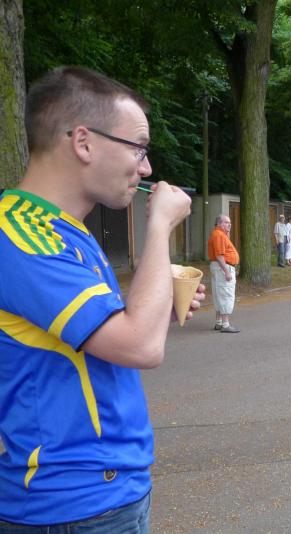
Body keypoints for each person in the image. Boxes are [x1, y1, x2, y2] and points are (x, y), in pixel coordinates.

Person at [0, 66, 204, 530]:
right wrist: (159, 226)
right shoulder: (21, 238)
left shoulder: (66, 233)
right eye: (138, 148)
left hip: (107, 492)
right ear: (84, 142)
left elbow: (109, 334)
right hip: (72, 503)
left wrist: (158, 309)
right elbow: (140, 347)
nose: (146, 168)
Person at [208, 214, 240, 333]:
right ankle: (225, 324)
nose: (229, 224)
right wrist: (227, 271)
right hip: (223, 267)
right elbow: (219, 256)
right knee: (226, 294)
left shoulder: (220, 235)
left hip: (219, 267)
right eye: (226, 222)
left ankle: (219, 322)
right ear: (219, 224)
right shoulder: (219, 235)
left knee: (219, 294)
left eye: (230, 222)